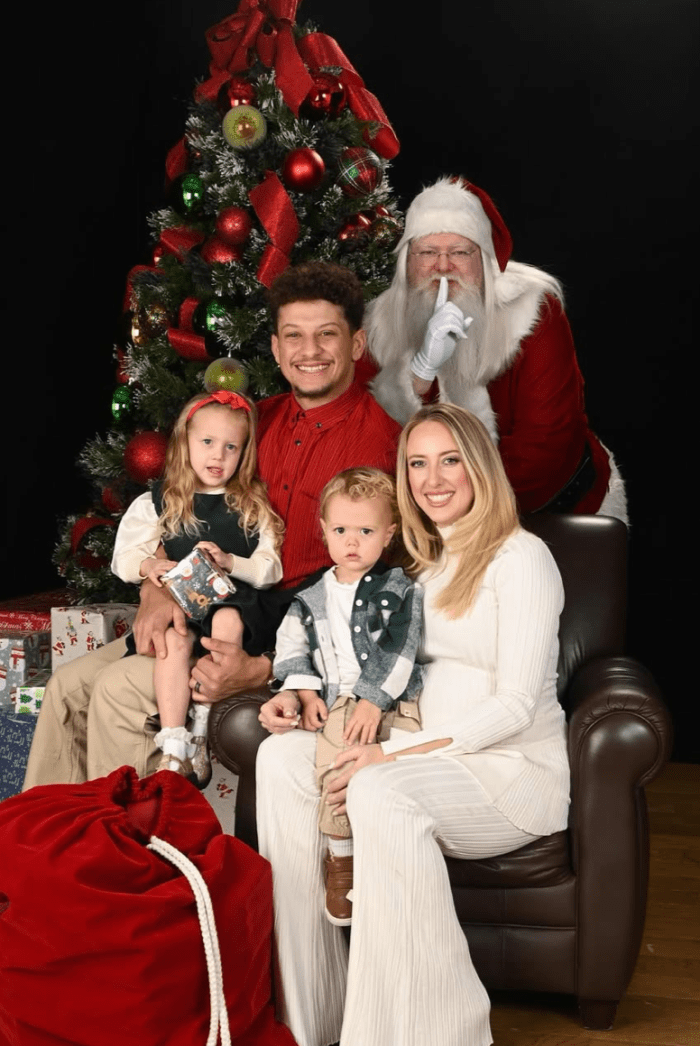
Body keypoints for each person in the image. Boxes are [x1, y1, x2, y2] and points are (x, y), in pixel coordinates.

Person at [256, 402, 569, 1046]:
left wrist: (392, 759)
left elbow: (515, 706)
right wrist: (293, 693)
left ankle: (431, 1033)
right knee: (280, 758)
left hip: (509, 774)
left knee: (377, 791)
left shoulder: (523, 559)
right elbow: (350, 657)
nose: (434, 478)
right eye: (418, 463)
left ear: (481, 465)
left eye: (451, 459)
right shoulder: (416, 564)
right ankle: (311, 1018)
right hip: (421, 753)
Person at [23, 261, 401, 789]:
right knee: (66, 687)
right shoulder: (247, 423)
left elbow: (381, 592)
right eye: (294, 336)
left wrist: (265, 665)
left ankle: (127, 858)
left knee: (115, 690)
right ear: (274, 348)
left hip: (283, 630)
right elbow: (181, 509)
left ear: (357, 344)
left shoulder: (384, 445)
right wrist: (159, 590)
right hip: (199, 604)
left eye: (327, 335)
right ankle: (46, 851)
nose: (308, 351)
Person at [367, 176, 627, 520]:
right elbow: (368, 441)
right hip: (434, 521)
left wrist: (452, 514)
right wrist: (419, 374)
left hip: (554, 513)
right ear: (407, 264)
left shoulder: (534, 311)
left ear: (485, 262)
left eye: (460, 252)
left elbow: (545, 447)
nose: (443, 267)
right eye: (428, 252)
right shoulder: (379, 325)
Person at [272, 467, 423, 925]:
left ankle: (389, 858)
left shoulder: (397, 588)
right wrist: (304, 691)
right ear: (323, 532)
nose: (352, 541)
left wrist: (373, 698)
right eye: (341, 530)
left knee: (399, 768)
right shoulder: (311, 597)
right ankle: (341, 856)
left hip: (392, 699)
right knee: (339, 760)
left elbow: (402, 644)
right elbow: (290, 646)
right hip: (340, 702)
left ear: (389, 534)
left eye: (366, 530)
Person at [111, 390, 283, 785]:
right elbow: (123, 557)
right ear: (184, 442)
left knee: (227, 620)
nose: (218, 456)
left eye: (231, 447)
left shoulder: (252, 504)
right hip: (183, 602)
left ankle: (202, 728)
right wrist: (149, 565)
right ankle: (174, 745)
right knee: (173, 641)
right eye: (207, 442)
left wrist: (231, 562)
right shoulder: (163, 499)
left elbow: (270, 568)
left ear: (244, 453)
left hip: (233, 601)